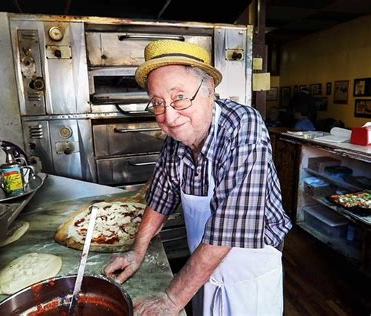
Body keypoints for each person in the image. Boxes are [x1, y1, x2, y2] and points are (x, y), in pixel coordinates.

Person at [103, 40, 292, 316]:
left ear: (209, 91)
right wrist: (137, 251)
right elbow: (160, 197)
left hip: (250, 274)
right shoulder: (178, 138)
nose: (168, 115)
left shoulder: (243, 127)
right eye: (158, 103)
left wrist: (171, 298)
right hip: (202, 271)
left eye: (179, 97)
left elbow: (228, 228)